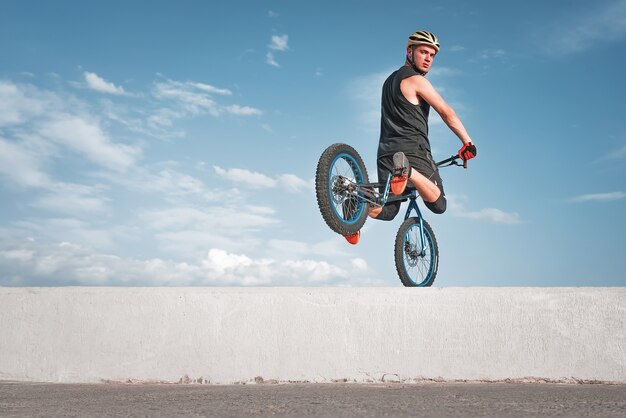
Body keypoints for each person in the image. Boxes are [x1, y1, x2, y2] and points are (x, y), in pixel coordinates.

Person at [344, 30, 477, 245]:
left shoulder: (388, 82)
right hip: (412, 152)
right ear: (409, 51)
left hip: (386, 153)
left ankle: (354, 201)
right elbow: (446, 111)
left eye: (432, 55)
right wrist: (467, 143)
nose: (428, 59)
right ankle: (408, 171)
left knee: (388, 210)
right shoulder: (416, 80)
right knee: (439, 204)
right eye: (423, 52)